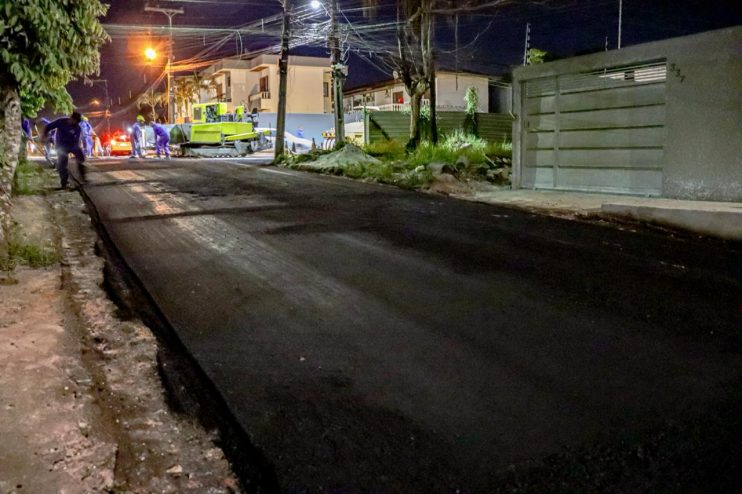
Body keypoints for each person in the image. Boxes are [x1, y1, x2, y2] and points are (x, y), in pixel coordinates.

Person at [43, 111, 85, 190]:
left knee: (81, 157)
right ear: (71, 118)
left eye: (77, 122)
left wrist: (77, 149)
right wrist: (44, 136)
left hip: (72, 145)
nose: (75, 123)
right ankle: (64, 183)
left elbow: (77, 140)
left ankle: (82, 177)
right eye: (74, 121)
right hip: (61, 146)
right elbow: (48, 127)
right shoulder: (61, 122)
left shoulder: (77, 127)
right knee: (62, 163)